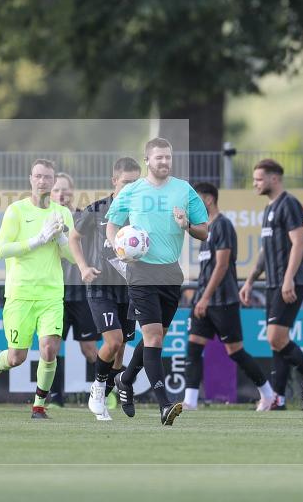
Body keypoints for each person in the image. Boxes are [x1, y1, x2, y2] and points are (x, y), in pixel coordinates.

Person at [106, 137, 208, 426]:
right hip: (140, 271)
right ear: (147, 160)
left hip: (170, 273)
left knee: (156, 337)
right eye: (158, 157)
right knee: (153, 338)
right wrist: (118, 245)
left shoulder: (184, 190)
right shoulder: (132, 191)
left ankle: (125, 380)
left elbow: (204, 231)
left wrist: (186, 224)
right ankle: (164, 405)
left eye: (168, 157)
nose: (164, 162)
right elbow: (112, 223)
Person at [0, 159, 74, 419]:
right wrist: (37, 240)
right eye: (38, 176)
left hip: (51, 294)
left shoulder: (62, 214)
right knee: (17, 356)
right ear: (31, 179)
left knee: (49, 348)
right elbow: (1, 250)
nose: (42, 181)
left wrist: (62, 238)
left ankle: (39, 406)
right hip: (20, 294)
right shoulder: (16, 211)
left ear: (53, 182)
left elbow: (75, 257)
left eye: (47, 177)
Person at [184, 183, 276, 411]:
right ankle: (190, 402)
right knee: (193, 348)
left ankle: (268, 394)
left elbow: (222, 265)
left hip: (222, 300)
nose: (192, 206)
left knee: (235, 352)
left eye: (195, 200)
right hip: (203, 299)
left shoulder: (223, 225)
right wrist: (200, 296)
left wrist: (205, 297)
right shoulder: (205, 228)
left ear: (208, 200)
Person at [69, 157, 142, 421]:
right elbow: (73, 238)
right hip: (101, 286)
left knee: (120, 350)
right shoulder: (98, 209)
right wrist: (83, 267)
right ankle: (98, 389)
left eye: (136, 183)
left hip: (130, 289)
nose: (131, 188)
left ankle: (107, 388)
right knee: (113, 341)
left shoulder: (142, 213)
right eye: (126, 183)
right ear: (114, 181)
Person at [239, 159, 303, 409]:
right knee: (276, 341)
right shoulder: (269, 209)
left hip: (289, 282)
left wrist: (289, 278)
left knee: (276, 336)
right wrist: (249, 281)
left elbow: (299, 243)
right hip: (273, 284)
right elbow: (264, 251)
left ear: (274, 179)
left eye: (259, 179)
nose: (255, 183)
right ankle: (279, 398)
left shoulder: (288, 204)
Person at [48, 172, 98, 408]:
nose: (61, 194)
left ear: (72, 191)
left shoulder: (83, 217)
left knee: (89, 348)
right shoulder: (42, 219)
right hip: (53, 294)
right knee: (52, 347)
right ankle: (56, 398)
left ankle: (104, 391)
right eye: (57, 190)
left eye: (65, 190)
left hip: (81, 293)